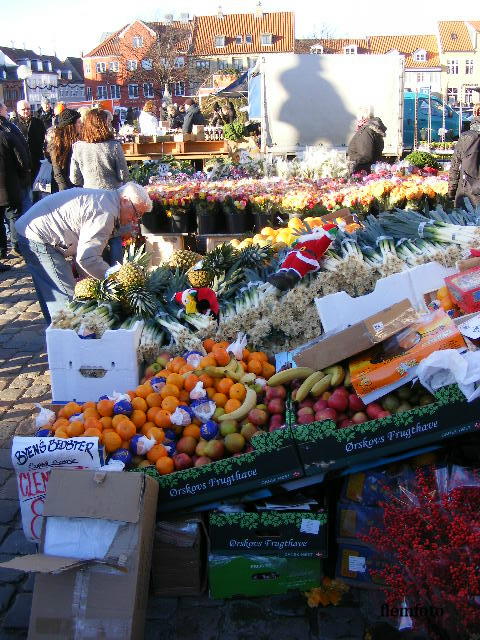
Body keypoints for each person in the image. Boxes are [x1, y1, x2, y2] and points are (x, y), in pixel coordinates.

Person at [15, 182, 152, 323]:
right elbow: (87, 258)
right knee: (68, 303)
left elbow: (84, 252)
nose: (135, 219)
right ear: (124, 200)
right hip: (39, 237)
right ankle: (66, 340)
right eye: (136, 213)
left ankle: (56, 338)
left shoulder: (107, 201)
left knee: (52, 296)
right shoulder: (106, 213)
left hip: (33, 232)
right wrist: (114, 279)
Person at [70, 108, 130, 264]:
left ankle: (96, 271)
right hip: (111, 196)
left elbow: (74, 178)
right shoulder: (113, 146)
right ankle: (116, 273)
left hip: (89, 197)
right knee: (114, 236)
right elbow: (123, 176)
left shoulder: (78, 147)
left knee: (94, 236)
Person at [0, 102, 32, 256]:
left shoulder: (9, 129)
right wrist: (24, 171)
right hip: (9, 182)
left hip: (10, 181)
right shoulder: (8, 131)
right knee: (14, 214)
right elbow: (21, 157)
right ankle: (17, 245)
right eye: (5, 109)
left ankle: (2, 251)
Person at [448, 103, 480, 209]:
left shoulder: (465, 137)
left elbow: (455, 167)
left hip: (467, 194)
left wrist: (451, 192)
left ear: (475, 113)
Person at [12, 100, 46, 186]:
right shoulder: (13, 124)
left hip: (37, 159)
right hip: (21, 162)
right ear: (18, 110)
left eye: (28, 109)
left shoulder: (38, 122)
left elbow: (44, 139)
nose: (26, 111)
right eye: (24, 109)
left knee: (38, 189)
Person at [47, 108, 82, 192]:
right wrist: (65, 192)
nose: (81, 124)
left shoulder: (78, 139)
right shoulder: (57, 143)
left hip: (76, 186)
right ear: (70, 126)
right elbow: (58, 172)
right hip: (64, 189)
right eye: (78, 122)